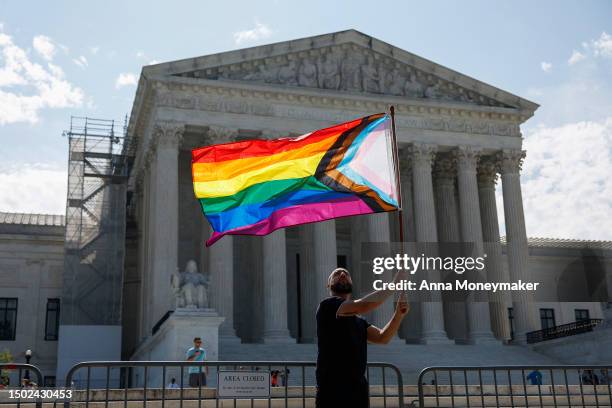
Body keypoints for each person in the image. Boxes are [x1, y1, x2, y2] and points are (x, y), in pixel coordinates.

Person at [316, 267, 409, 408]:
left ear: (352, 283)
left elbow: (383, 337)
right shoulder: (327, 307)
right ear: (328, 285)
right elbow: (362, 305)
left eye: (346, 274)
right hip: (332, 388)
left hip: (358, 390)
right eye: (336, 274)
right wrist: (394, 285)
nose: (342, 274)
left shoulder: (358, 321)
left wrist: (399, 314)